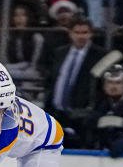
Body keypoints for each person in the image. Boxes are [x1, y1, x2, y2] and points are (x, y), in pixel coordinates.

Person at [43, 16, 105, 147]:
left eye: (85, 33)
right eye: (77, 32)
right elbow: (52, 79)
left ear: (91, 34)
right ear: (70, 33)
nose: (81, 36)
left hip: (81, 117)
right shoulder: (60, 52)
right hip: (56, 113)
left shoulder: (99, 56)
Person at [88, 63, 123, 151]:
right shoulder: (100, 104)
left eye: (118, 83)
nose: (113, 86)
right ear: (104, 86)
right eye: (110, 82)